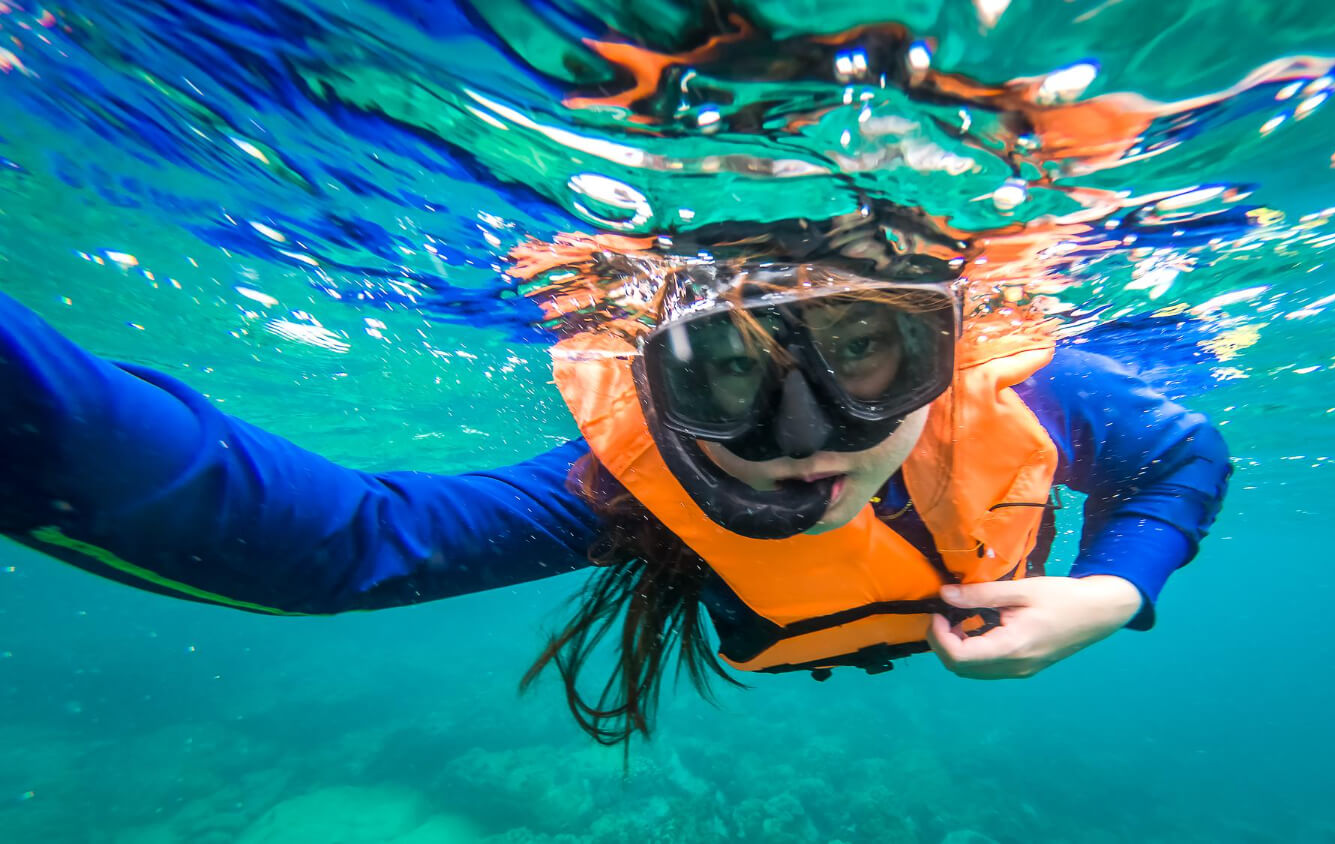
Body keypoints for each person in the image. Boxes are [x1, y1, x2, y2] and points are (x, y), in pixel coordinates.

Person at [0, 208, 1230, 745]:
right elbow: (336, 542)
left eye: (865, 348)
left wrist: (1119, 585)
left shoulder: (1040, 386)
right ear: (645, 376)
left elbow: (1179, 452)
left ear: (947, 342)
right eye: (720, 371)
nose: (809, 436)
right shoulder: (630, 485)